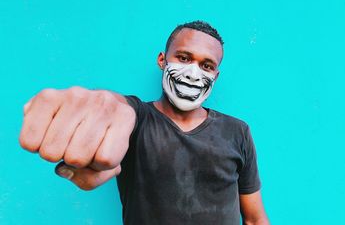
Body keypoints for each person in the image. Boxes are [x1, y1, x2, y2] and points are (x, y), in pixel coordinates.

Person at [19, 20, 269, 225]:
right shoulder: (138, 119)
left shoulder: (237, 131)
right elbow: (117, 109)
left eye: (206, 65)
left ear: (216, 75)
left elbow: (255, 219)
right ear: (162, 60)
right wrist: (99, 108)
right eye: (183, 58)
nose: (193, 74)